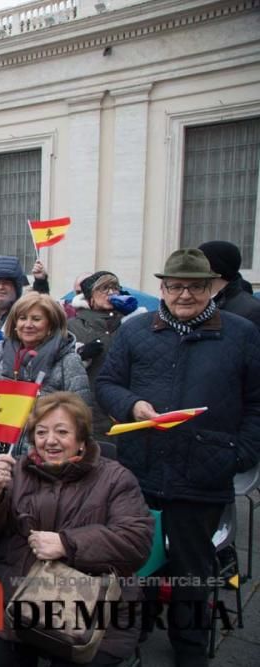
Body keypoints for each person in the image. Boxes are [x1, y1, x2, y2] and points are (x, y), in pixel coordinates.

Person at [96, 248, 260, 665]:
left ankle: (189, 646)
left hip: (204, 470)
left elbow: (257, 402)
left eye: (195, 286)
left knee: (193, 567)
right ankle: (137, 627)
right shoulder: (134, 331)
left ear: (211, 287)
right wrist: (133, 405)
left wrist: (238, 455)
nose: (184, 294)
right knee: (139, 558)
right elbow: (108, 384)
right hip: (142, 466)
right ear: (162, 288)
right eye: (175, 286)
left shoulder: (241, 333)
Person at [0, 392, 153, 666]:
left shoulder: (115, 478)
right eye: (41, 432)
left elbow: (136, 541)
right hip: (15, 593)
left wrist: (68, 544)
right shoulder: (18, 472)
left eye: (62, 431)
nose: (50, 440)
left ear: (81, 439)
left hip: (88, 600)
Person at [66, 271, 144, 438]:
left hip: (122, 406)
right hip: (85, 408)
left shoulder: (131, 323)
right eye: (103, 288)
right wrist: (79, 354)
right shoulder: (72, 326)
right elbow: (57, 361)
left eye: (115, 288)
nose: (111, 292)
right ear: (90, 298)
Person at [198, 240, 260, 328]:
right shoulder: (197, 300)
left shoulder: (253, 310)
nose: (193, 267)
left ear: (215, 267)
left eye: (199, 262)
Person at [0, 257, 29, 326]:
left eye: (6, 283)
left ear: (16, 289)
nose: (1, 287)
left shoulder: (24, 316)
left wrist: (40, 282)